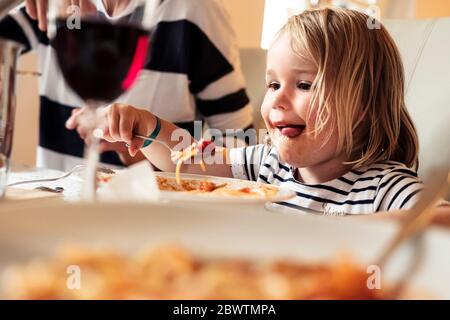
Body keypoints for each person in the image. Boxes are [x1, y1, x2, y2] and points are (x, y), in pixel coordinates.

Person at [94, 8, 425, 215]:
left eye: (305, 85)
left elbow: (439, 222)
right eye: (273, 85)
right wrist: (149, 127)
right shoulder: (267, 166)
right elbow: (193, 163)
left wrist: (376, 229)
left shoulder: (385, 189)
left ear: (363, 105)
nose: (278, 101)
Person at [0, 0, 254, 170]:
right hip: (55, 214)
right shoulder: (54, 5)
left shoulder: (197, 11)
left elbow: (243, 148)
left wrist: (151, 152)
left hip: (153, 223)